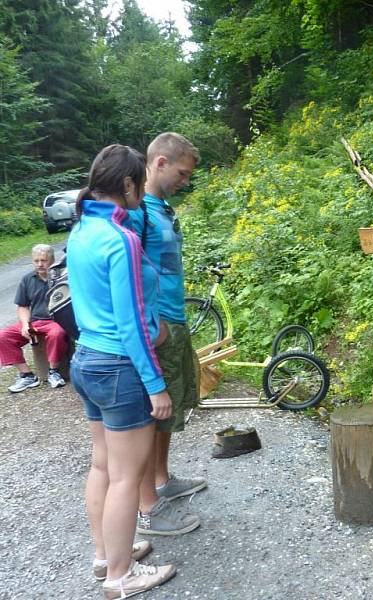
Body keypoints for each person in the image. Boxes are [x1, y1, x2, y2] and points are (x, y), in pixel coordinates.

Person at [68, 144, 176, 599]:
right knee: (128, 477)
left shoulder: (80, 230)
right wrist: (156, 385)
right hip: (119, 367)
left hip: (86, 360)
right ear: (130, 185)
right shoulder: (121, 239)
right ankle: (119, 577)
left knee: (103, 465)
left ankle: (105, 556)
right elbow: (131, 322)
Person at [127, 133, 206, 537]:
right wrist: (150, 324)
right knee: (150, 414)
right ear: (158, 162)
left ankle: (161, 479)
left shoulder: (161, 208)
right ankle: (148, 508)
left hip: (174, 321)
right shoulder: (137, 212)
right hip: (157, 328)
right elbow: (131, 276)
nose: (185, 180)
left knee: (170, 408)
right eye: (181, 172)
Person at [0, 244, 69, 392]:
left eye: (44, 260)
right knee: (3, 336)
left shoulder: (62, 276)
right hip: (35, 321)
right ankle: (27, 375)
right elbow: (22, 306)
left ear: (52, 259)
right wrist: (25, 324)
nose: (40, 264)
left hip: (55, 321)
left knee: (57, 333)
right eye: (36, 261)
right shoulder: (27, 279)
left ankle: (53, 372)